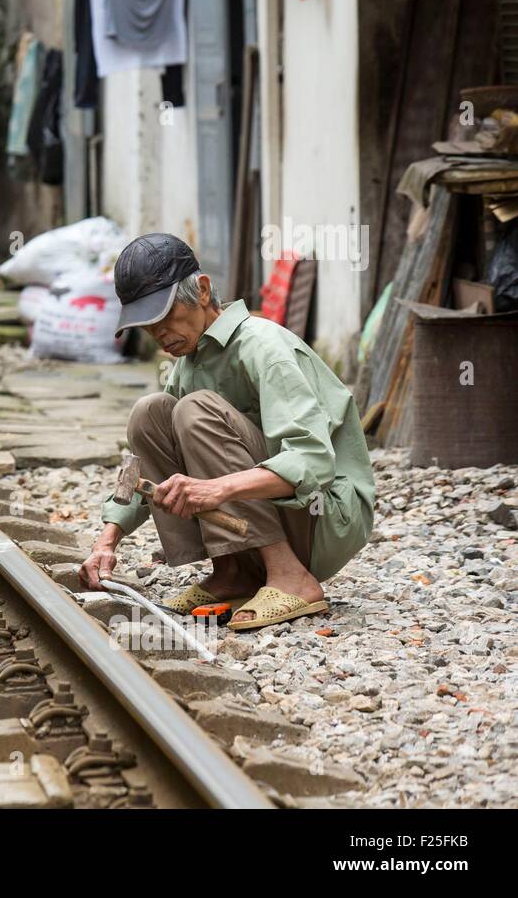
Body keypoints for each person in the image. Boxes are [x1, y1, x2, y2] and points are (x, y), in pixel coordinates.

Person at [79, 233, 375, 630]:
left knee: (195, 411)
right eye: (148, 327)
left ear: (202, 291)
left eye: (165, 318)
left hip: (325, 517)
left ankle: (291, 576)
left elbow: (313, 462)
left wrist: (219, 488)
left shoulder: (264, 347)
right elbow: (143, 471)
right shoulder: (190, 362)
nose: (159, 335)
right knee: (150, 413)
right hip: (273, 516)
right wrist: (107, 540)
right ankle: (233, 572)